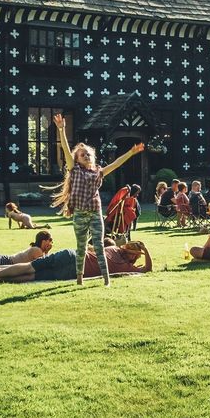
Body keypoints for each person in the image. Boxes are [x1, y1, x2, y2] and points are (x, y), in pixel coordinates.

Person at [48, 112, 144, 287]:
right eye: (82, 154)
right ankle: (79, 278)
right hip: (79, 214)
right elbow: (65, 149)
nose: (86, 156)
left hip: (95, 213)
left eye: (88, 154)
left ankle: (106, 279)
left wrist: (130, 152)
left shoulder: (98, 172)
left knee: (99, 246)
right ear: (77, 159)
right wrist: (61, 130)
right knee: (82, 247)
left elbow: (115, 164)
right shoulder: (74, 170)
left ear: (93, 158)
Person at [0, 240, 153, 283]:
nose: (137, 258)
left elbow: (146, 269)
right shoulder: (124, 263)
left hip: (70, 257)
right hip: (72, 267)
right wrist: (145, 251)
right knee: (32, 274)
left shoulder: (113, 249)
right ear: (132, 253)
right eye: (136, 255)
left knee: (31, 270)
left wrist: (141, 250)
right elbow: (147, 269)